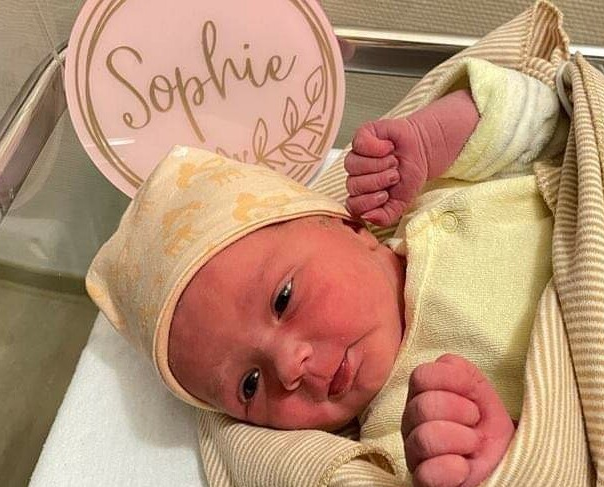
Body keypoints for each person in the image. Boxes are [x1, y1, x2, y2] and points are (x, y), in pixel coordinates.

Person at [86, 57, 567, 486]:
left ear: (350, 229)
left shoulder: (442, 192)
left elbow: (551, 124)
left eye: (283, 299)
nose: (288, 366)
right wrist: (502, 461)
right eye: (249, 385)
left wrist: (433, 138)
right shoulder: (401, 436)